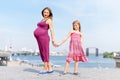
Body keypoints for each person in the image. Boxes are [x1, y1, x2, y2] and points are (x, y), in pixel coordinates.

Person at [34, 7, 56, 74]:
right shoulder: (42, 20)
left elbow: (52, 29)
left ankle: (45, 68)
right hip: (39, 38)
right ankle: (50, 69)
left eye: (47, 12)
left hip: (44, 38)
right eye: (44, 12)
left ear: (49, 14)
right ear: (42, 12)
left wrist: (53, 39)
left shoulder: (49, 20)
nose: (45, 13)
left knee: (45, 52)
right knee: (42, 52)